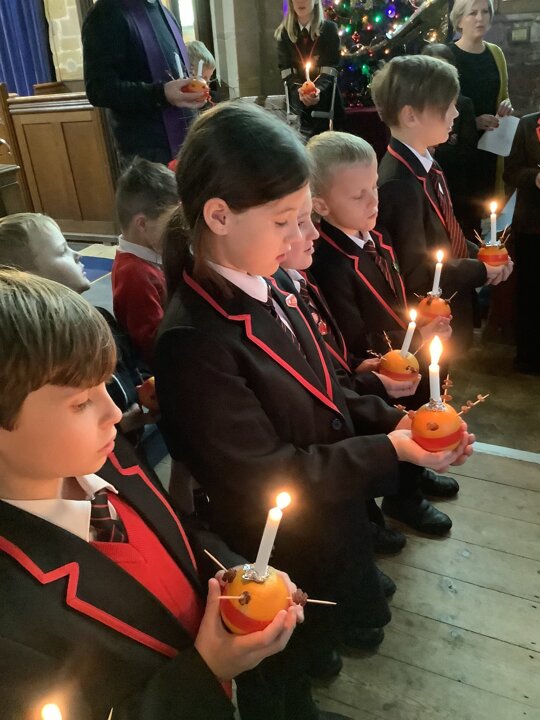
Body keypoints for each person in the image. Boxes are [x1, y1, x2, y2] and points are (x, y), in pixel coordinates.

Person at [154, 102, 475, 709]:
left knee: (318, 635)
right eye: (285, 221)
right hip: (274, 548)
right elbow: (264, 475)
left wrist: (400, 421)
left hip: (329, 511)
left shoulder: (272, 281)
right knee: (280, 675)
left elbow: (327, 388)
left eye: (304, 218)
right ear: (219, 216)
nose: (302, 237)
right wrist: (390, 450)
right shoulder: (194, 342)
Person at [0, 268, 304, 720]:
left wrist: (239, 572)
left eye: (106, 385)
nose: (114, 411)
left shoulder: (106, 456)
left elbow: (176, 532)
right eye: (80, 402)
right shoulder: (11, 611)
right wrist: (206, 672)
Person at [373, 55, 513, 356]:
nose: (456, 112)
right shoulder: (398, 183)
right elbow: (416, 272)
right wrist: (480, 271)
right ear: (411, 116)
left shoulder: (428, 164)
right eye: (447, 105)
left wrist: (484, 255)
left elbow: (448, 234)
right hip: (424, 323)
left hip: (447, 307)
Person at [0, 213, 157, 454]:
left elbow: (134, 364)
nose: (77, 254)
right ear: (27, 279)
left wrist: (145, 391)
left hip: (130, 447)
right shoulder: (40, 357)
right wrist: (119, 425)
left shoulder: (101, 319)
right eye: (62, 251)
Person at [82, 0, 207, 165]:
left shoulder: (165, 13)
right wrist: (162, 93)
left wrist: (192, 90)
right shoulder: (108, 12)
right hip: (148, 155)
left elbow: (175, 72)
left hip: (185, 143)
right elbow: (99, 89)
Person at [448, 0, 513, 227]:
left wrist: (507, 105)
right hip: (460, 150)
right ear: (459, 20)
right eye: (472, 13)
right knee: (464, 218)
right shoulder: (448, 55)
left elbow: (503, 94)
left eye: (485, 12)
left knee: (487, 215)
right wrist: (472, 122)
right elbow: (439, 105)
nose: (480, 18)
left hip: (491, 147)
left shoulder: (495, 53)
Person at [112, 158, 177, 367]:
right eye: (171, 223)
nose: (179, 230)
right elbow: (154, 346)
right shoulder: (135, 274)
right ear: (142, 224)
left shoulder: (149, 257)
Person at [421, 43, 478, 239]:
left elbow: (468, 152)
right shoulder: (416, 105)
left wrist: (434, 152)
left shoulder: (463, 104)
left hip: (456, 187)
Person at [504, 111, 540, 374]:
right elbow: (510, 173)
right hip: (532, 226)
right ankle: (528, 356)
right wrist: (535, 177)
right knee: (531, 293)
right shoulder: (527, 125)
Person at [275, 0, 344, 138]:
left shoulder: (329, 29)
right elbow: (286, 70)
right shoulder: (284, 33)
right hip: (298, 108)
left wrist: (316, 90)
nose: (301, 2)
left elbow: (330, 67)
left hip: (326, 104)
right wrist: (300, 91)